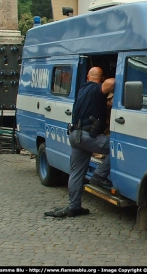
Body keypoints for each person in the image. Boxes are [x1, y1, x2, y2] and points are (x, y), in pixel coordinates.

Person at [44, 66, 115, 217]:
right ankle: (99, 176)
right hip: (87, 136)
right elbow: (111, 82)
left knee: (76, 173)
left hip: (75, 136)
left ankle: (74, 207)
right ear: (100, 79)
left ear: (88, 77)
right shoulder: (96, 89)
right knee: (116, 148)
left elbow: (99, 103)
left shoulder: (83, 89)